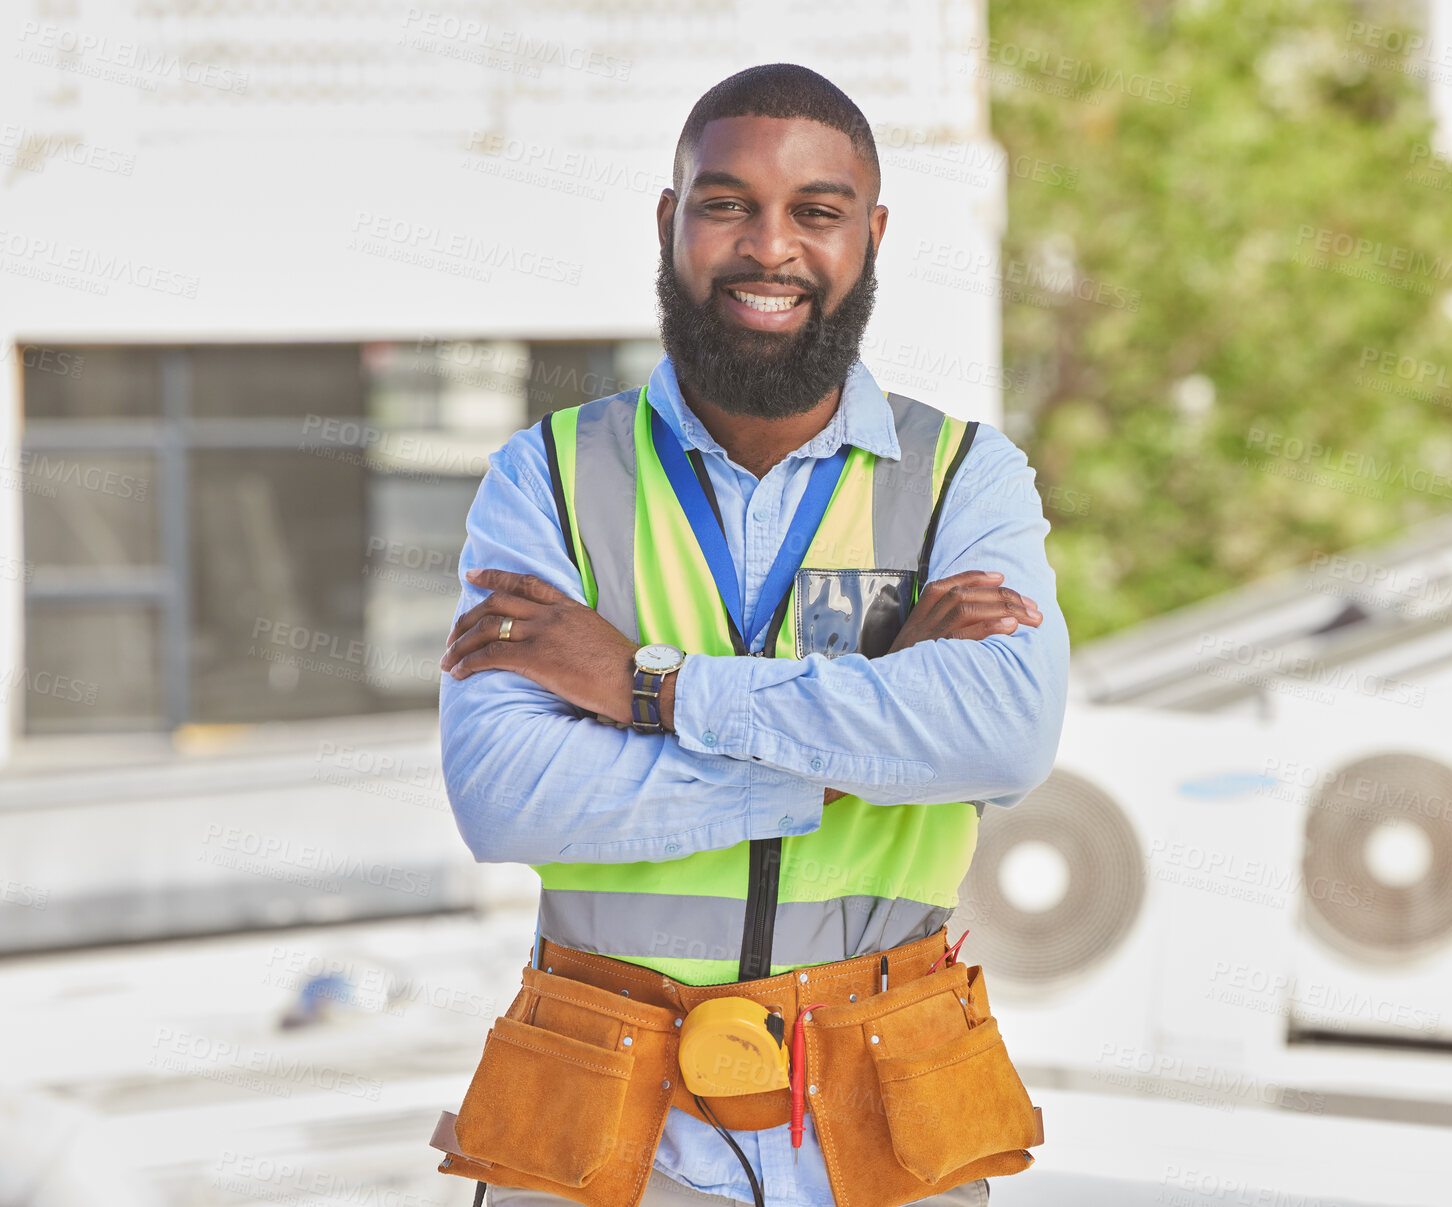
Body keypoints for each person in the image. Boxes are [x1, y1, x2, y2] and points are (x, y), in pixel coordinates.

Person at [437, 62, 1068, 1207]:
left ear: (870, 235)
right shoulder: (548, 477)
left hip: (887, 1117)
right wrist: (853, 747)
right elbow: (504, 793)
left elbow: (1006, 738)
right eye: (727, 204)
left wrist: (647, 688)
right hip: (605, 1126)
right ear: (672, 222)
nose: (769, 248)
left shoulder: (968, 478)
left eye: (815, 213)